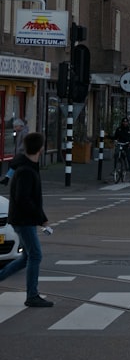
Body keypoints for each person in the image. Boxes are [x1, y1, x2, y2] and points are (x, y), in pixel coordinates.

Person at [0, 132, 54, 307]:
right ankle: (32, 295)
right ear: (41, 148)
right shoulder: (26, 170)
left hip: (22, 219)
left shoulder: (27, 166)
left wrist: (40, 217)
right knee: (36, 255)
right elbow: (24, 199)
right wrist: (41, 219)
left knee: (27, 257)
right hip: (23, 220)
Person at [1, 117, 28, 186]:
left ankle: (8, 179)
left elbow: (24, 143)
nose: (15, 128)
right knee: (15, 166)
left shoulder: (24, 132)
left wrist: (19, 149)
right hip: (19, 153)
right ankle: (8, 179)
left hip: (21, 153)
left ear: (20, 126)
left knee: (14, 165)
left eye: (16, 126)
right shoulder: (20, 132)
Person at [114, 117, 130, 182]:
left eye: (126, 122)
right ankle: (115, 169)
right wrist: (114, 140)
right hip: (120, 144)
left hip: (127, 145)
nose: (125, 123)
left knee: (129, 159)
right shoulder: (119, 129)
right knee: (116, 154)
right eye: (124, 122)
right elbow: (115, 137)